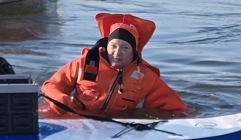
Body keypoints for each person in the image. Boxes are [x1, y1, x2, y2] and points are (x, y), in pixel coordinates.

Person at [41, 13, 188, 116]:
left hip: (116, 127)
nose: (117, 53)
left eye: (125, 48)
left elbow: (177, 108)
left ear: (133, 52)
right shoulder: (83, 63)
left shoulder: (146, 77)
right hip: (75, 121)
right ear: (106, 46)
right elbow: (50, 86)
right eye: (113, 46)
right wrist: (61, 98)